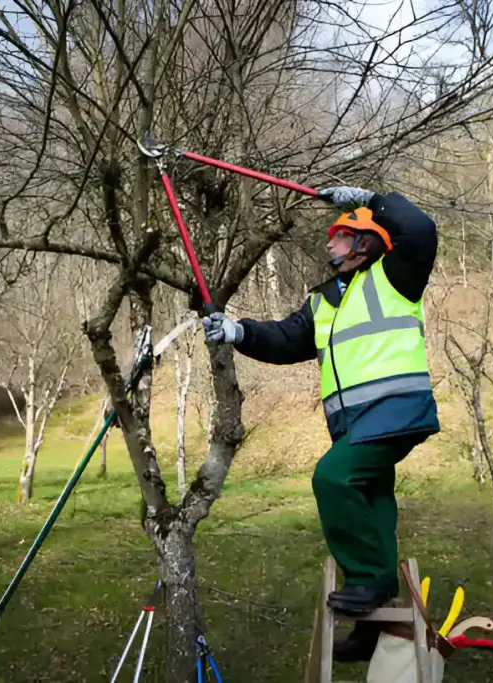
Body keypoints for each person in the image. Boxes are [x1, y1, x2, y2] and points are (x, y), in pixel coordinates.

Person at [201, 185, 440, 661]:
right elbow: (287, 340)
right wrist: (237, 331)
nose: (328, 243)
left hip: (394, 409)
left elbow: (419, 228)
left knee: (332, 477)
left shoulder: (397, 275)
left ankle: (367, 583)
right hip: (356, 423)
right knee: (372, 505)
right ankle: (373, 627)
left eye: (339, 235)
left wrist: (374, 198)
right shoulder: (325, 301)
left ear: (365, 243)